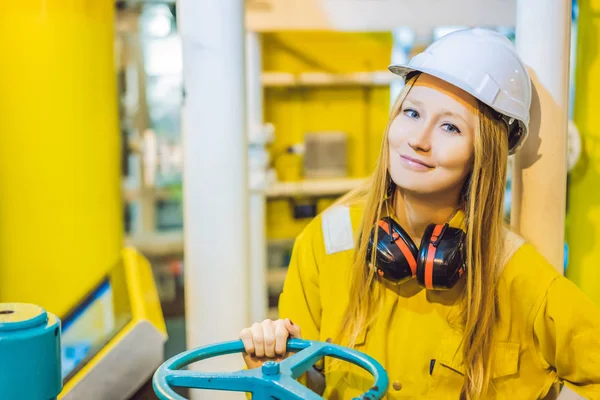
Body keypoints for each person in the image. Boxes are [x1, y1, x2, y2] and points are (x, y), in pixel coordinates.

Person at [239, 28, 600, 399]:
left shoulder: (512, 272)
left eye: (450, 127)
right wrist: (272, 368)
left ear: (484, 154)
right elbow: (304, 387)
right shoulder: (328, 240)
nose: (418, 139)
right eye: (412, 112)